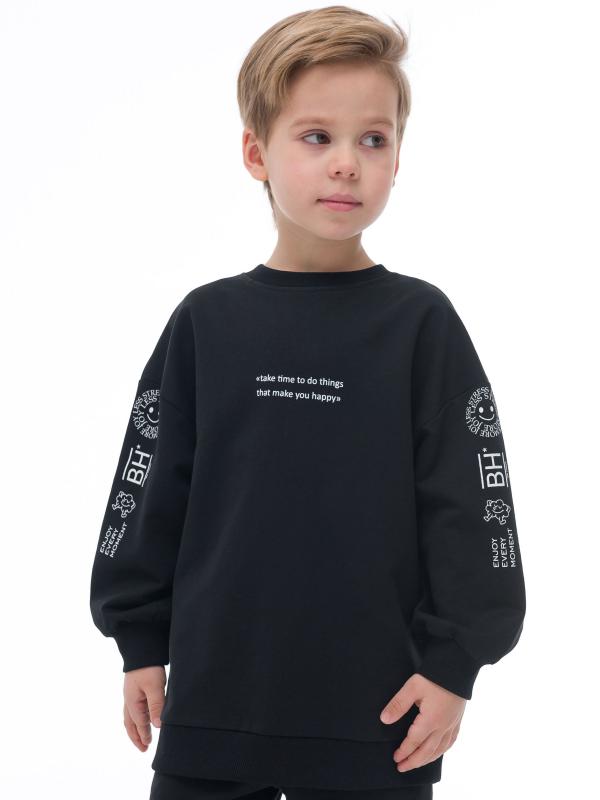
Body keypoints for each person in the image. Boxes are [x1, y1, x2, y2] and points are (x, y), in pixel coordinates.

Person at [89, 6, 527, 799]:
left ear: (399, 156)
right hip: (212, 714)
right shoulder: (206, 324)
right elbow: (146, 489)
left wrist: (454, 666)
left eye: (374, 139)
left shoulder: (421, 325)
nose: (347, 165)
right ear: (257, 153)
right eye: (317, 137)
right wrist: (139, 642)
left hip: (383, 723)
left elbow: (473, 504)